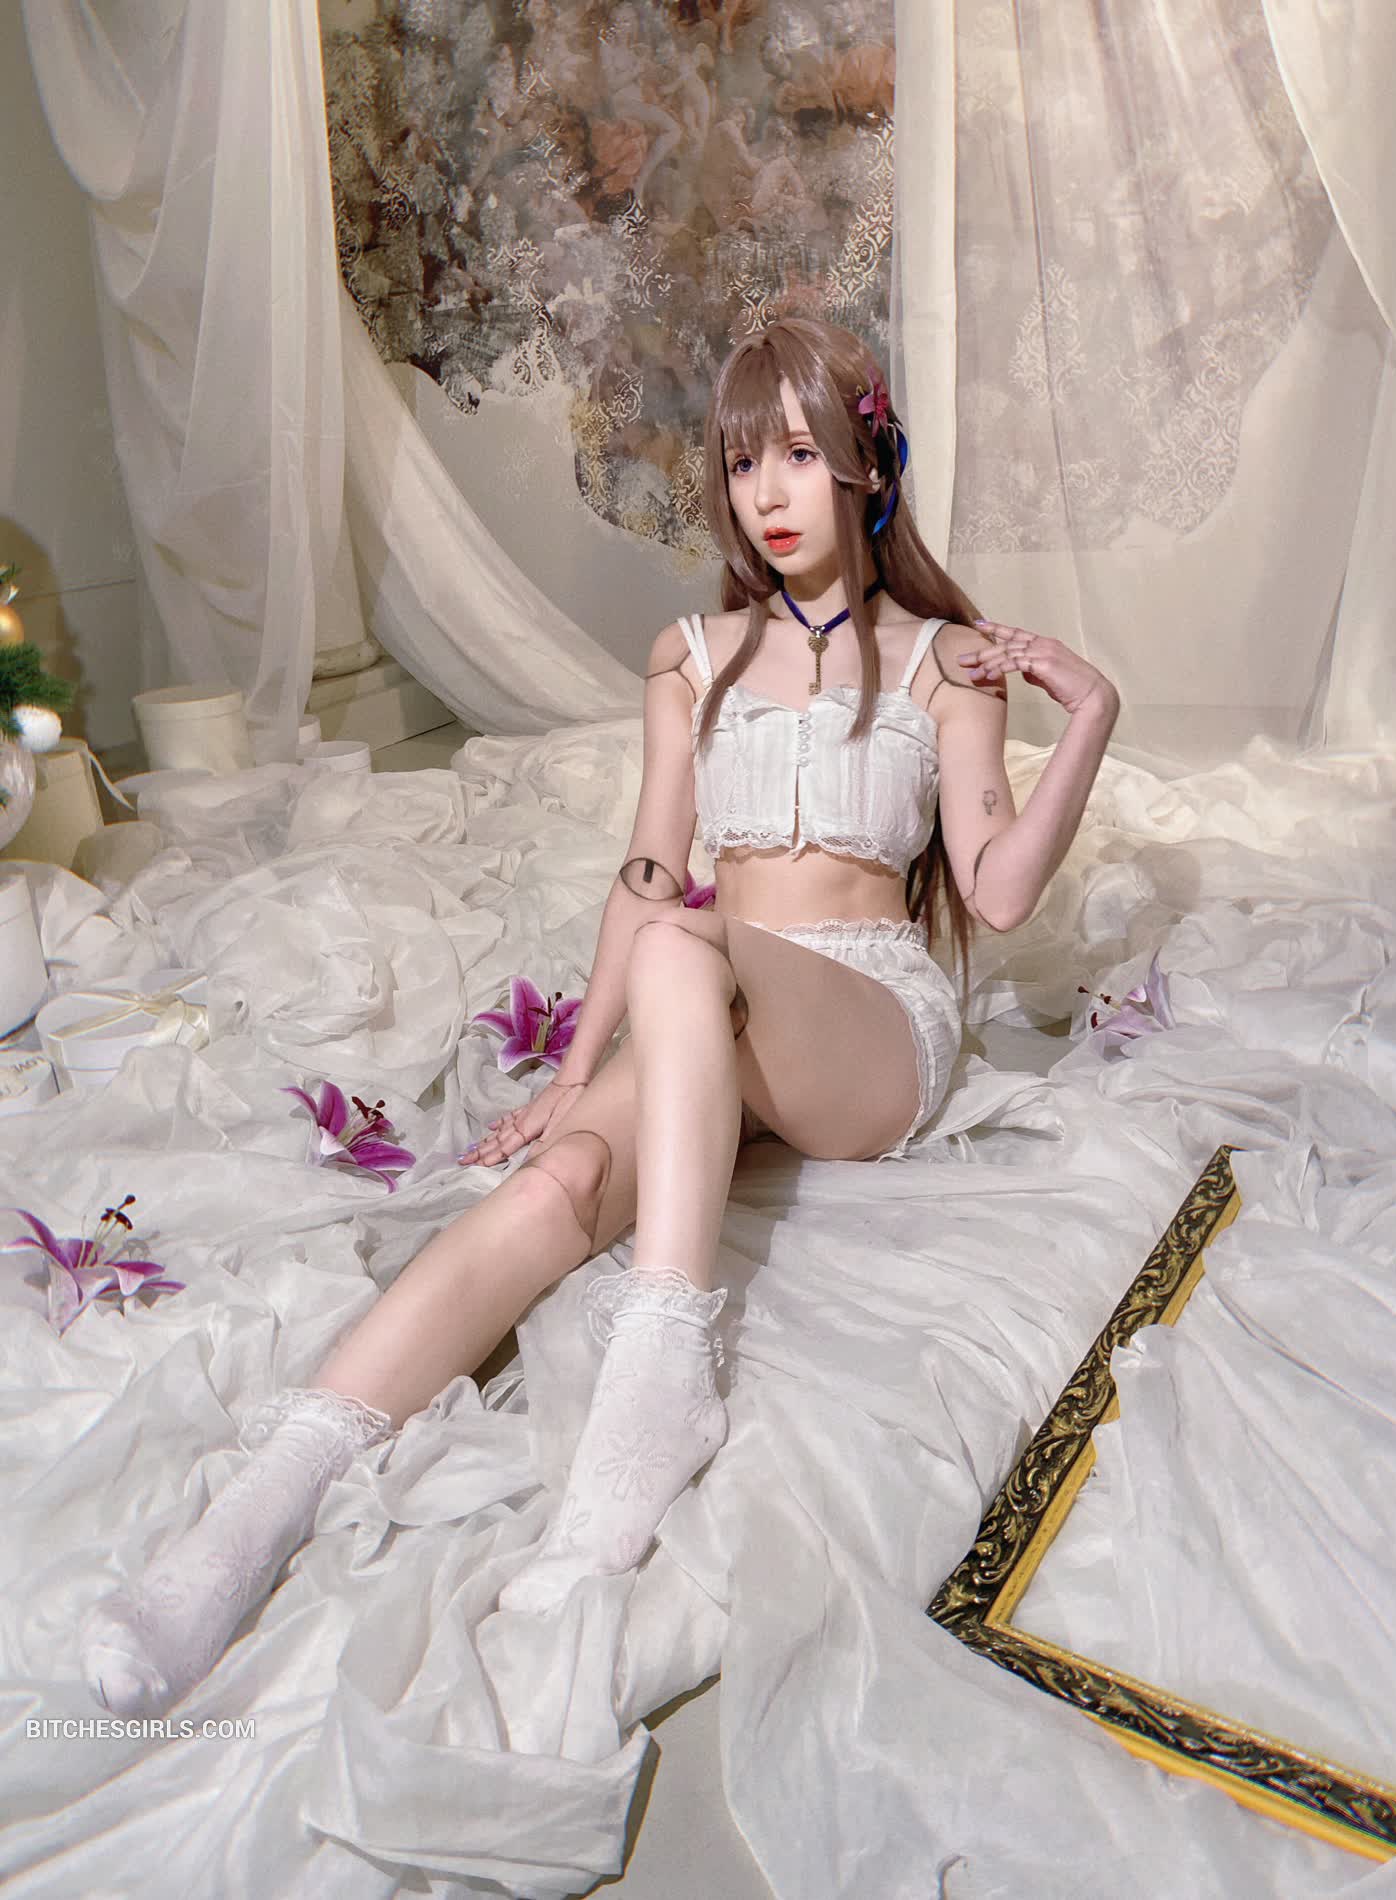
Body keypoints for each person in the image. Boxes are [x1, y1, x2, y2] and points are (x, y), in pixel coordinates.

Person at [78, 317, 1120, 1716]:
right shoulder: (691, 656)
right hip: (713, 1005)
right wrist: (576, 1079)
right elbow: (647, 873)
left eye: (797, 455)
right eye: (741, 462)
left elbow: (994, 893)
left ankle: (659, 1362)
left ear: (869, 465)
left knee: (691, 948)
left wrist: (1089, 717)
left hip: (868, 1025)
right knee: (558, 1178)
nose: (765, 493)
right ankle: (251, 1514)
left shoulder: (942, 663)